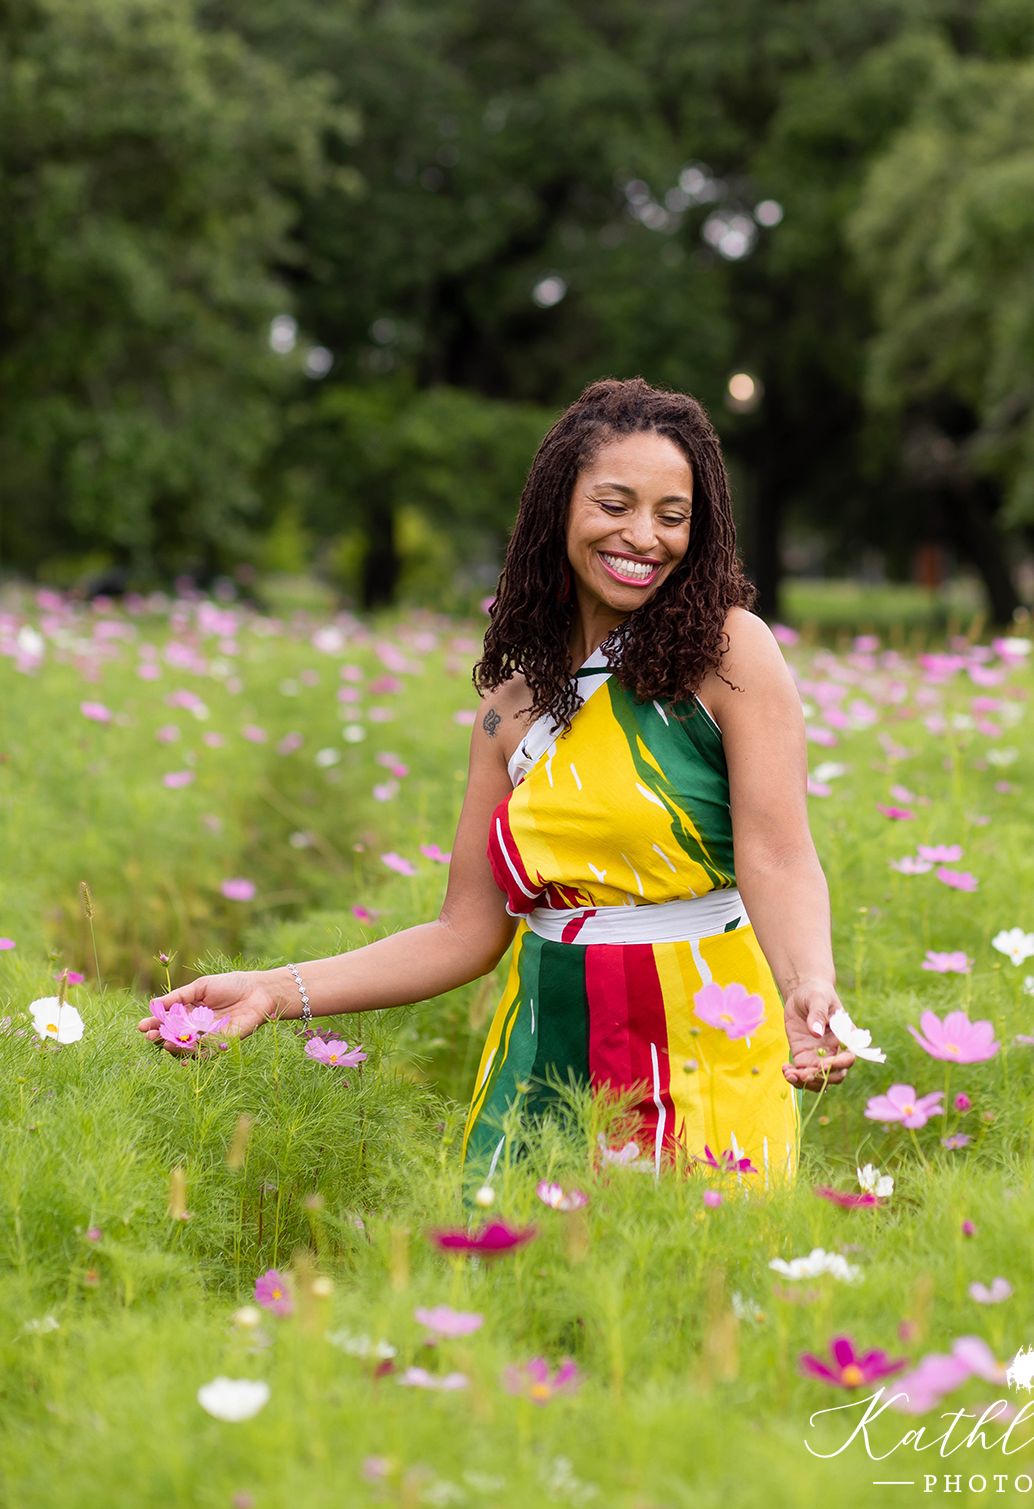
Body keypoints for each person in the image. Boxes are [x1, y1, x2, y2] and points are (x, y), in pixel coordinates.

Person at [140, 378, 855, 1185]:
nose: (644, 536)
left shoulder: (726, 655)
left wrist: (808, 984)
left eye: (672, 514)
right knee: (511, 1279)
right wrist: (272, 990)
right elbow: (464, 934)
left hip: (706, 1041)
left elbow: (779, 854)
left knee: (691, 1289)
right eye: (614, 505)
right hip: (544, 1052)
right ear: (559, 508)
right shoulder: (509, 714)